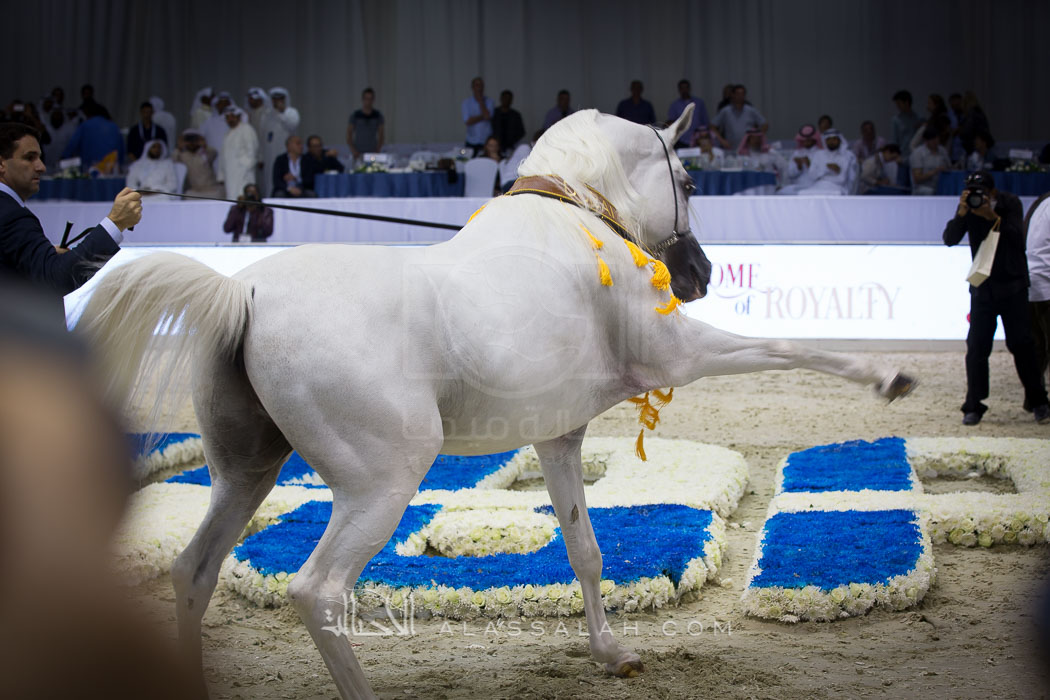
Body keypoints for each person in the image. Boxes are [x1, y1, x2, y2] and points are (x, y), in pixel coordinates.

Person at [0, 123, 141, 321]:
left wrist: (43, 255)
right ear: (1, 164)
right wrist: (116, 223)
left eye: (39, 157)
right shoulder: (13, 216)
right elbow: (57, 279)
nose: (41, 167)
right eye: (29, 158)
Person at [943, 171, 1050, 425]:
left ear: (992, 192)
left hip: (1013, 286)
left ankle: (1039, 402)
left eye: (981, 191)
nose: (976, 195)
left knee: (1022, 345)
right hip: (983, 288)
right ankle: (973, 406)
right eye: (971, 191)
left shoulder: (1010, 203)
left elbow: (1016, 239)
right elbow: (949, 239)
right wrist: (961, 213)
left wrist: (992, 216)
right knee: (977, 347)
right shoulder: (969, 208)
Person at [1027, 192, 1050, 391]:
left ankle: (1035, 399)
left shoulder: (1042, 203)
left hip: (1031, 283)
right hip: (1045, 284)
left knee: (1038, 346)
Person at [62, 101, 124, 173]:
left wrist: (63, 158)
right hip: (109, 169)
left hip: (89, 168)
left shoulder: (85, 125)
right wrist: (120, 165)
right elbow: (121, 149)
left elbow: (72, 145)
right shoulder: (114, 126)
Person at [260, 87, 300, 197]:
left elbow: (292, 126)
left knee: (286, 177)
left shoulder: (291, 112)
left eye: (280, 99)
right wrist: (261, 156)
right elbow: (262, 136)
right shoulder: (266, 115)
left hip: (286, 153)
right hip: (269, 153)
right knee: (269, 178)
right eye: (275, 99)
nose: (278, 101)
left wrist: (282, 112)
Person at [795, 128, 858, 195]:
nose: (831, 142)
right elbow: (812, 176)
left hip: (838, 188)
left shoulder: (847, 155)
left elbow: (841, 179)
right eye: (828, 139)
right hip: (818, 186)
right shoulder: (818, 154)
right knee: (802, 193)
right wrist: (827, 170)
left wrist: (821, 176)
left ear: (840, 140)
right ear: (825, 141)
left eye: (834, 139)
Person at [216, 106, 259, 200]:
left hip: (243, 173)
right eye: (227, 117)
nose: (230, 120)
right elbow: (223, 156)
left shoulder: (246, 129)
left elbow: (252, 151)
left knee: (244, 196)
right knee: (231, 197)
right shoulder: (227, 134)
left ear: (239, 117)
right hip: (229, 174)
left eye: (232, 116)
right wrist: (221, 175)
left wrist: (244, 166)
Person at [711, 84, 767, 151]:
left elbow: (765, 124)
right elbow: (712, 126)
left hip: (748, 150)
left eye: (743, 94)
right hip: (731, 149)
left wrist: (758, 137)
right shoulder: (725, 111)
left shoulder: (751, 110)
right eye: (738, 94)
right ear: (732, 95)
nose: (740, 96)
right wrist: (722, 141)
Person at [173, 129, 224, 198]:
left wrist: (204, 144)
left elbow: (214, 153)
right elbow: (174, 159)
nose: (191, 142)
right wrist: (179, 146)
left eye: (194, 139)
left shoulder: (205, 152)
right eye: (188, 139)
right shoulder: (183, 155)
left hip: (211, 189)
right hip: (194, 191)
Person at [779, 124, 823, 193]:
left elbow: (822, 174)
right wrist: (798, 167)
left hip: (815, 187)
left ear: (814, 139)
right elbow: (790, 174)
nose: (806, 141)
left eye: (809, 140)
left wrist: (809, 164)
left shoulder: (820, 153)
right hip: (798, 187)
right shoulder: (797, 153)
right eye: (804, 140)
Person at [909, 126, 951, 195]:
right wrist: (936, 171)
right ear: (926, 141)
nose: (936, 142)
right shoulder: (918, 153)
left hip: (942, 185)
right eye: (933, 140)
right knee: (931, 191)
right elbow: (917, 178)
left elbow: (949, 167)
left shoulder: (942, 150)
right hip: (923, 187)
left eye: (937, 139)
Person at [667, 80, 709, 149]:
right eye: (682, 88)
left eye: (686, 88)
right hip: (681, 140)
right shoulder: (674, 105)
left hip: (698, 139)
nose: (684, 90)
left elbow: (705, 122)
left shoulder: (699, 103)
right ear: (679, 90)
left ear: (689, 89)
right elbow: (671, 123)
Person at [346, 87, 385, 163]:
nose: (368, 101)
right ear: (362, 99)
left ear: (373, 100)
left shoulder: (378, 116)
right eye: (366, 99)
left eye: (370, 99)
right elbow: (349, 134)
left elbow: (381, 135)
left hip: (373, 152)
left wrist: (378, 150)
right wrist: (353, 150)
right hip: (358, 153)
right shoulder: (355, 115)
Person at [462, 76, 494, 155]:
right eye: (477, 85)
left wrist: (481, 102)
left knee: (486, 161)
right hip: (471, 140)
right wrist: (483, 116)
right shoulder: (466, 103)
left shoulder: (489, 101)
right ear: (472, 87)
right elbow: (468, 121)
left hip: (486, 140)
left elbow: (488, 117)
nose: (479, 87)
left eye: (481, 85)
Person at [44, 107, 77, 172]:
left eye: (58, 115)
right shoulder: (45, 127)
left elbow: (73, 147)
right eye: (55, 115)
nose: (57, 117)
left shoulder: (70, 127)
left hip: (63, 166)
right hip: (46, 165)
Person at [891, 90, 922, 158]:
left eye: (899, 103)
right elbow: (894, 140)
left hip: (917, 155)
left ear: (906, 102)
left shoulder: (919, 119)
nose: (897, 106)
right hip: (903, 155)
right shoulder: (896, 120)